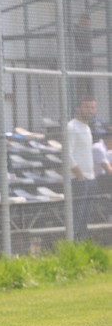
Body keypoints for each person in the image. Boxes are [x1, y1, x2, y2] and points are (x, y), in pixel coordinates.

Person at [68, 97, 98, 241]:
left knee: (86, 215)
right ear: (79, 108)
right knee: (77, 215)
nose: (90, 111)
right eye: (87, 107)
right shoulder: (72, 127)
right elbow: (67, 154)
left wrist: (92, 173)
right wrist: (80, 175)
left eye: (92, 107)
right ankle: (73, 243)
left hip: (90, 178)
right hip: (79, 180)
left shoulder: (87, 127)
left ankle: (83, 243)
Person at [92, 128, 112, 194]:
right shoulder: (98, 148)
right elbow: (109, 170)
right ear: (109, 139)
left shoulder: (108, 150)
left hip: (102, 180)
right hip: (95, 179)